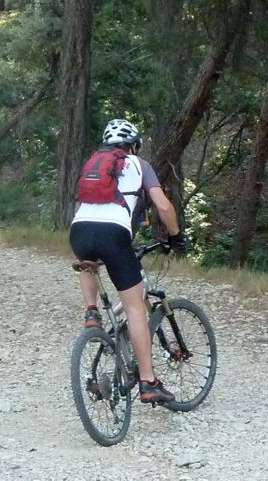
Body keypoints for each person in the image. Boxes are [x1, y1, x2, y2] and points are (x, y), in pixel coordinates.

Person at [70, 118, 189, 404]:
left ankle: (91, 313)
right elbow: (162, 205)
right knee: (136, 309)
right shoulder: (139, 165)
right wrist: (175, 236)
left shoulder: (92, 164)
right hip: (114, 234)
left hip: (79, 230)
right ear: (133, 145)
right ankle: (148, 382)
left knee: (90, 260)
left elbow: (81, 205)